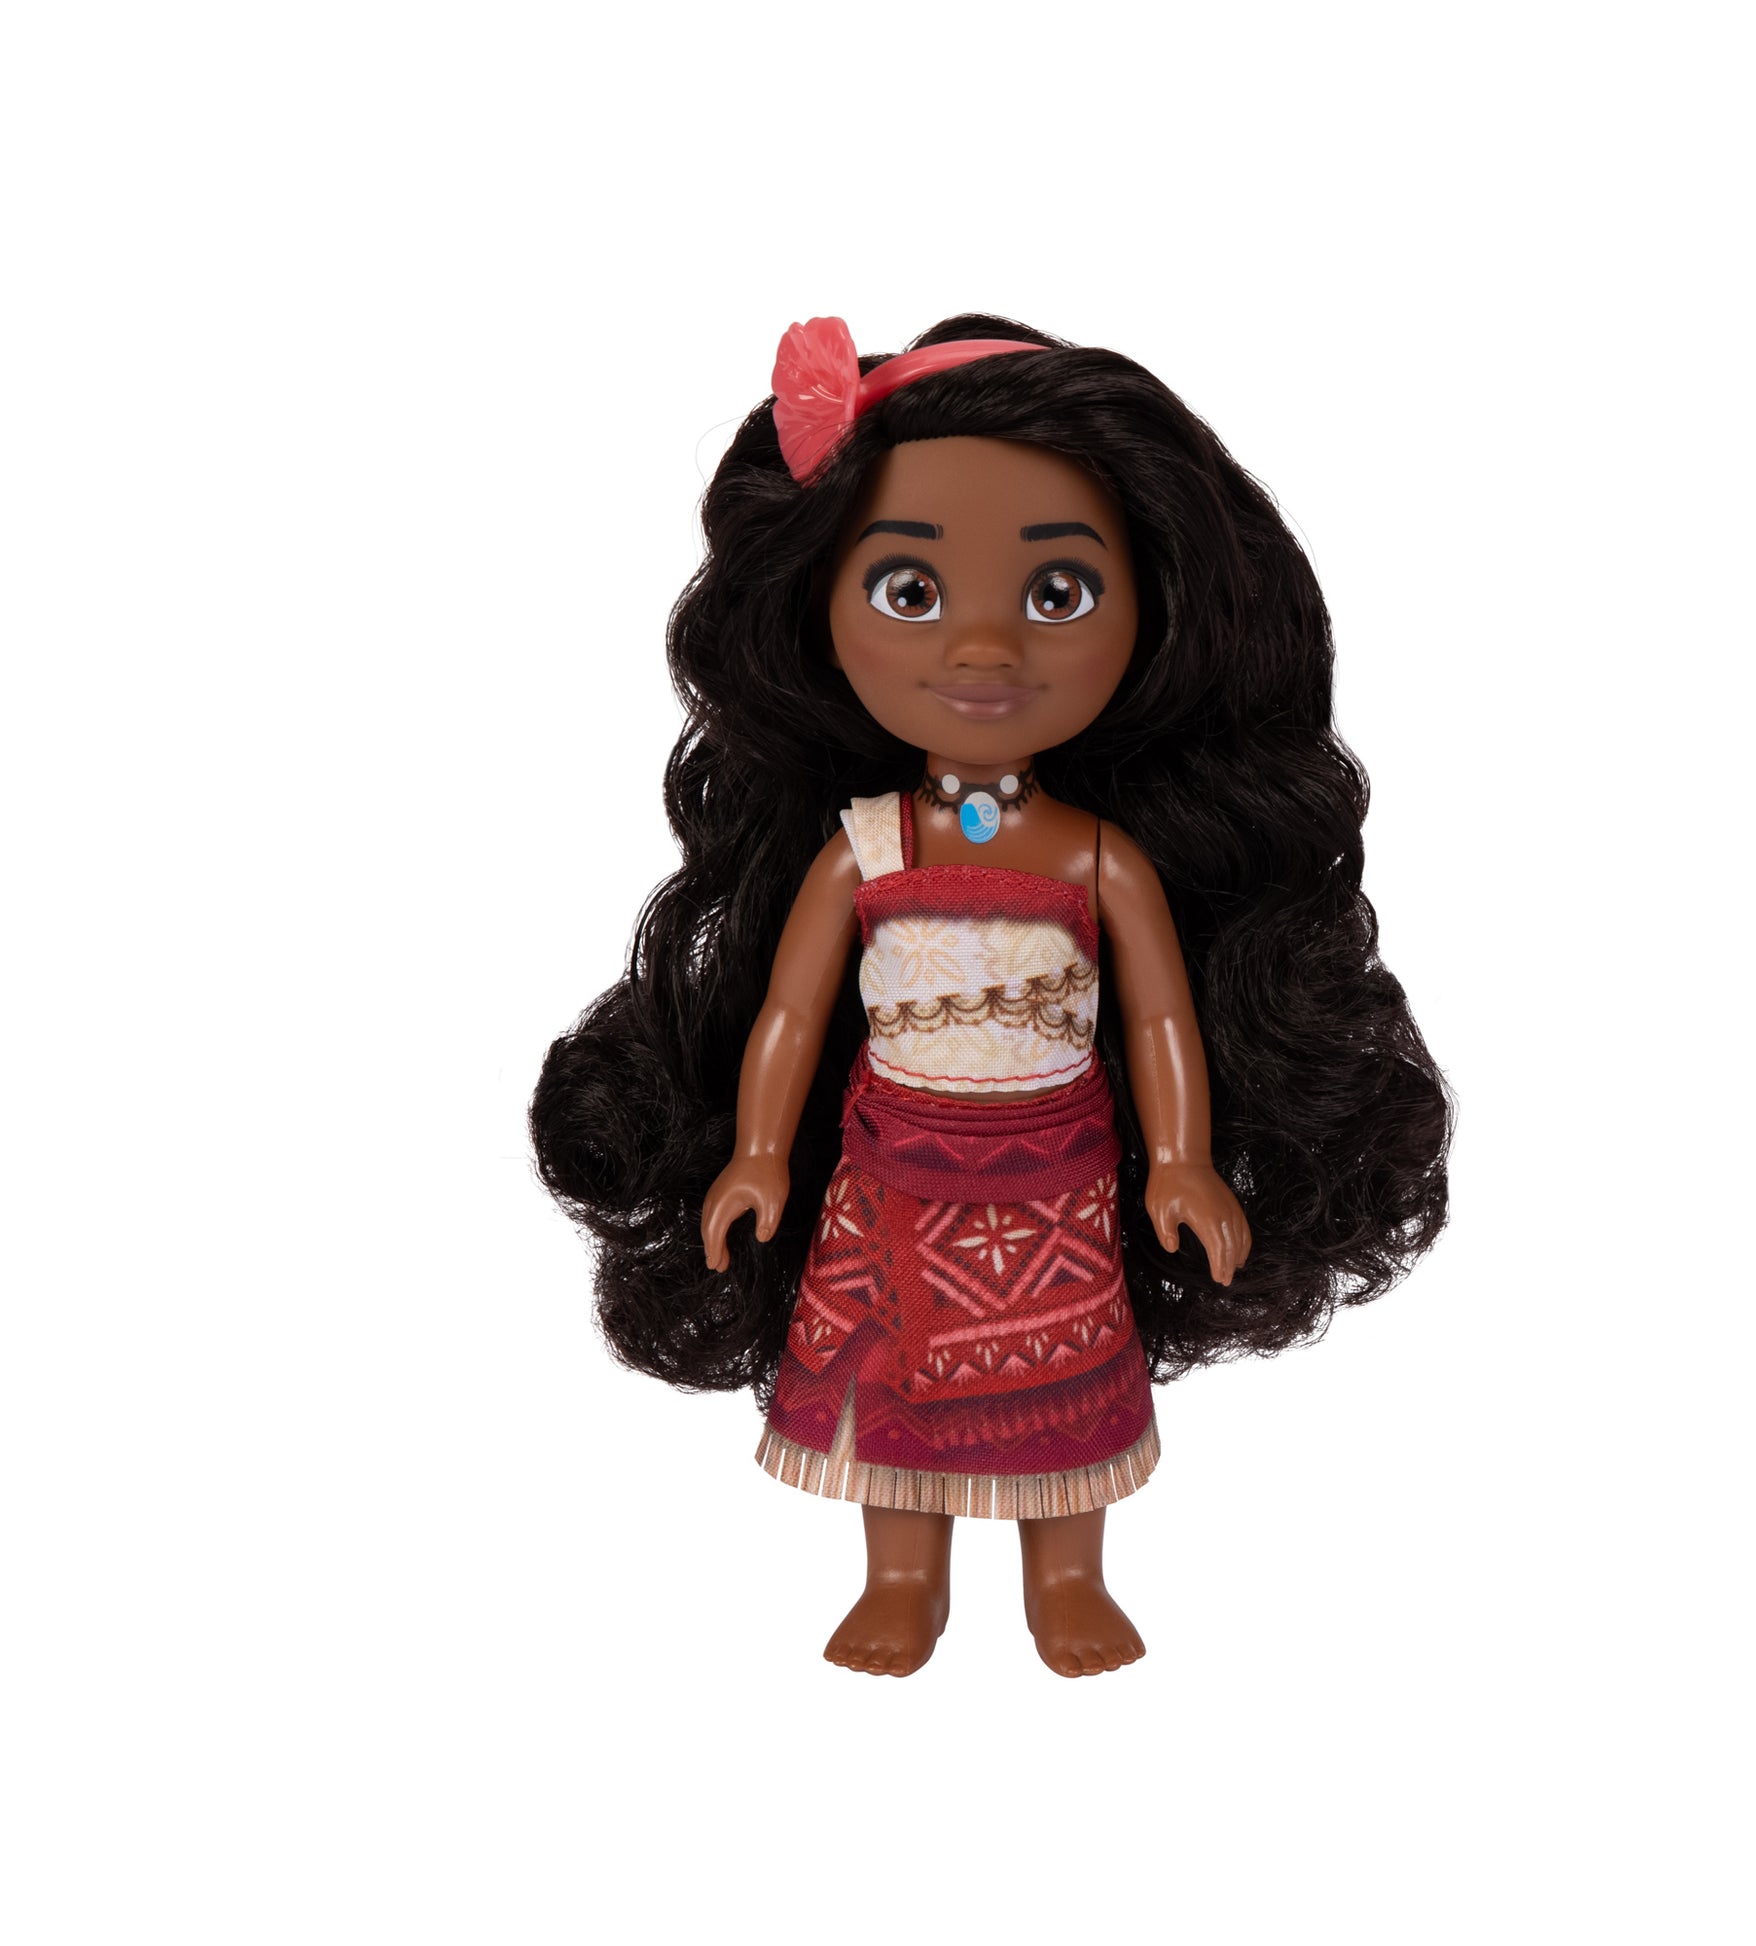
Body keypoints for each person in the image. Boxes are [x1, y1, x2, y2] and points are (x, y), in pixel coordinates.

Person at [532, 315, 1450, 1678]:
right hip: (890, 1173)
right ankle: (903, 1575)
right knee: (892, 1376)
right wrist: (759, 1150)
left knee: (1063, 1375)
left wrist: (1183, 1160)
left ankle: (1065, 1574)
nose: (982, 645)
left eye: (1057, 592)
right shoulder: (864, 850)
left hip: (1055, 1177)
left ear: (1154, 612)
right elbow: (789, 1013)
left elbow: (1159, 1017)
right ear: (817, 611)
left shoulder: (1094, 855)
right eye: (908, 589)